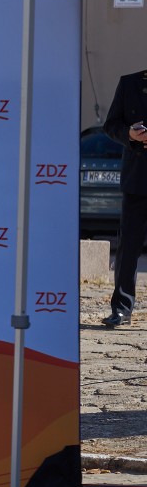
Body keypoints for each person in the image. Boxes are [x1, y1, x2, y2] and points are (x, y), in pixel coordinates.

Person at [102, 69, 147, 327]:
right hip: (138, 179)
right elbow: (111, 125)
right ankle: (121, 308)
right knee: (128, 248)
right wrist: (129, 135)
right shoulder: (130, 84)